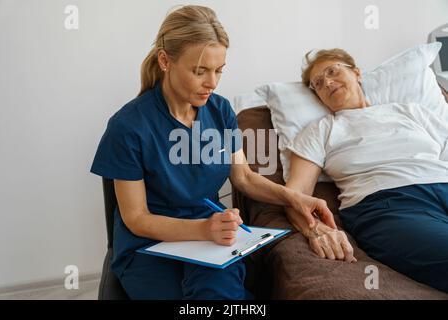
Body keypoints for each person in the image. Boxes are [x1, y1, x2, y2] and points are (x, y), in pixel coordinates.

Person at [90, 5, 335, 300]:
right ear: (165, 61)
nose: (212, 82)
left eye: (219, 70)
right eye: (200, 71)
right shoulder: (128, 127)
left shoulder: (219, 110)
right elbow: (137, 218)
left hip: (213, 237)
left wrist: (294, 197)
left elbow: (243, 177)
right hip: (148, 245)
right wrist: (203, 230)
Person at [285, 48, 448, 293]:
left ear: (357, 73)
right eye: (317, 83)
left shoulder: (410, 111)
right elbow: (294, 195)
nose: (327, 82)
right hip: (390, 206)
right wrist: (316, 230)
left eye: (332, 71)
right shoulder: (320, 130)